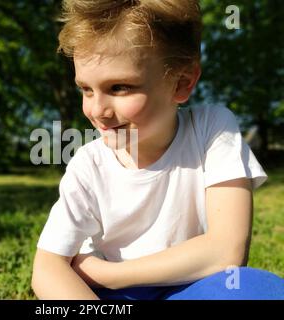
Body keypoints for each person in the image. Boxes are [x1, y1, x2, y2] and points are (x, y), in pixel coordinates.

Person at [31, 0, 284, 300]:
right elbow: (48, 267)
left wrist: (109, 275)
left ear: (182, 83)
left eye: (119, 87)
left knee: (254, 288)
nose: (97, 110)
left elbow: (226, 252)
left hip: (190, 285)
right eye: (86, 89)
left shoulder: (213, 128)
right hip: (119, 299)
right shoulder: (88, 165)